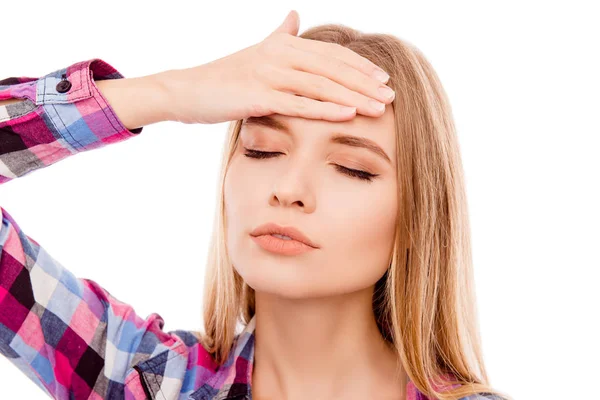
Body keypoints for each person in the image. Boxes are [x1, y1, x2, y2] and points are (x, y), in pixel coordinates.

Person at [0, 10, 510, 400]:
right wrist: (166, 93)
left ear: (418, 217)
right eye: (262, 150)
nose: (288, 188)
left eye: (353, 168)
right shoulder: (144, 379)